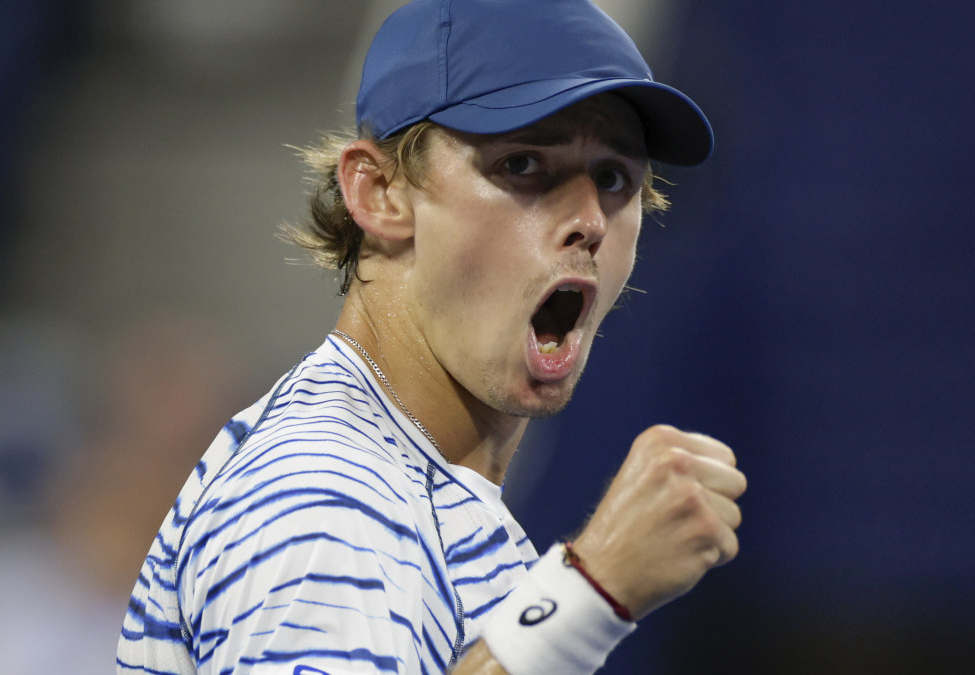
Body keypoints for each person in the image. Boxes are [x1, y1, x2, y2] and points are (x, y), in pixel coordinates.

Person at [118, 0, 746, 673]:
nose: (591, 219)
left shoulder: (415, 492)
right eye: (524, 165)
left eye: (615, 178)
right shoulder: (328, 498)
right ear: (381, 192)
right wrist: (589, 594)